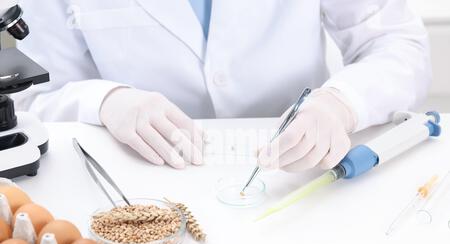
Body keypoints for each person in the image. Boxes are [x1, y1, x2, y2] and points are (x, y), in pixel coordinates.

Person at [15, 0, 431, 171]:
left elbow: (395, 43)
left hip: (304, 172)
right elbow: (31, 93)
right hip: (141, 179)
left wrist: (339, 105)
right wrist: (105, 101)